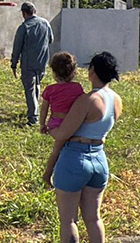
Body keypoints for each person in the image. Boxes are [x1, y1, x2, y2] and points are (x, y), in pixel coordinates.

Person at [48, 51, 123, 243]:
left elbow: (64, 133)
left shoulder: (88, 100)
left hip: (75, 158)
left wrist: (49, 129)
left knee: (69, 220)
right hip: (99, 158)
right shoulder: (116, 100)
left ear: (92, 72)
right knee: (94, 218)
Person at [40, 52, 85, 187]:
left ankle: (49, 174)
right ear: (73, 72)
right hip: (72, 125)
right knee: (62, 150)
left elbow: (44, 109)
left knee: (57, 151)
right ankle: (48, 175)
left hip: (55, 125)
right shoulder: (77, 88)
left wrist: (42, 124)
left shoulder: (50, 89)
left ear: (54, 72)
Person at [11, 2, 54, 126]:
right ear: (34, 11)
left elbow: (17, 47)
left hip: (28, 63)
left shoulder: (24, 27)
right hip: (42, 61)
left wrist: (14, 64)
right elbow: (51, 39)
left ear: (24, 13)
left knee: (30, 89)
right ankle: (34, 111)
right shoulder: (45, 23)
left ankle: (33, 117)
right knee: (37, 86)